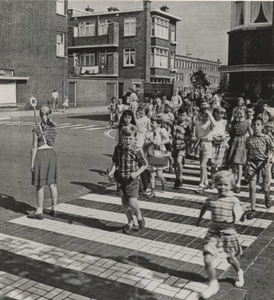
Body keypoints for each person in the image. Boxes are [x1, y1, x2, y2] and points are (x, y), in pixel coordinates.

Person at [196, 171, 245, 299]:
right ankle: (213, 284)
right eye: (219, 184)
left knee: (231, 259)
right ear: (215, 184)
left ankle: (239, 272)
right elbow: (204, 206)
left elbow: (241, 216)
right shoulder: (211, 199)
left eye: (225, 184)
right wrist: (199, 220)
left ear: (232, 185)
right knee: (207, 258)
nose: (222, 187)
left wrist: (243, 213)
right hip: (213, 233)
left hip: (228, 233)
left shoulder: (234, 200)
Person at [108, 126, 148, 234]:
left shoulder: (137, 150)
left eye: (130, 138)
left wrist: (136, 173)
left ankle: (139, 214)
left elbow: (145, 164)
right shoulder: (118, 148)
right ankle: (130, 221)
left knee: (132, 201)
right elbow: (115, 162)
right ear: (122, 138)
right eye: (126, 138)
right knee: (125, 204)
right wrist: (111, 172)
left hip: (132, 180)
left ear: (134, 138)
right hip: (121, 179)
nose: (128, 141)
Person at [28, 105, 58, 220]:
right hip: (51, 154)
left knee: (40, 184)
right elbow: (51, 142)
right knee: (52, 184)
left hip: (41, 155)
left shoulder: (36, 129)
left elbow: (34, 146)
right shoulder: (53, 128)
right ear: (50, 114)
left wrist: (32, 162)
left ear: (40, 115)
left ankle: (39, 211)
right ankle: (54, 209)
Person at [245, 117, 274, 219]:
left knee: (264, 187)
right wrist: (246, 164)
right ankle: (253, 209)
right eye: (254, 125)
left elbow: (272, 148)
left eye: (258, 125)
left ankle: (267, 196)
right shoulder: (248, 139)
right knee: (252, 187)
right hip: (252, 163)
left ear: (262, 126)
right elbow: (246, 152)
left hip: (263, 164)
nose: (255, 127)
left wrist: (270, 157)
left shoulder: (266, 138)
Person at [227, 107, 252, 193]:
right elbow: (230, 132)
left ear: (244, 114)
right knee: (233, 164)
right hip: (234, 142)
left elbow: (251, 134)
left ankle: (238, 183)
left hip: (242, 142)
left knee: (240, 164)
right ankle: (233, 182)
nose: (239, 115)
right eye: (237, 113)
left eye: (241, 113)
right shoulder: (233, 122)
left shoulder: (247, 122)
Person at [144, 116, 169, 198]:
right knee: (151, 174)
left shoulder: (162, 130)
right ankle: (152, 191)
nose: (151, 124)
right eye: (151, 122)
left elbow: (167, 140)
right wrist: (150, 142)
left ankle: (163, 180)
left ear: (158, 124)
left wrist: (159, 143)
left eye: (153, 123)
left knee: (158, 173)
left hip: (160, 153)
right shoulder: (148, 132)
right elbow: (145, 143)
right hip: (151, 153)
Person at [193, 105, 216, 194]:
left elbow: (214, 124)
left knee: (203, 165)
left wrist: (209, 113)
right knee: (201, 165)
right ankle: (206, 181)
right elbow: (195, 133)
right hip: (199, 143)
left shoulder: (210, 123)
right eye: (204, 115)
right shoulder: (198, 123)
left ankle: (201, 184)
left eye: (206, 116)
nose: (205, 117)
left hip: (207, 143)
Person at [172, 108, 191, 188]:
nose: (182, 117)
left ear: (186, 116)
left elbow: (189, 136)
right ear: (177, 115)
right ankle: (177, 178)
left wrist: (187, 146)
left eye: (183, 115)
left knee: (179, 161)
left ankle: (180, 176)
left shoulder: (187, 126)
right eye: (180, 115)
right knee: (175, 163)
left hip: (182, 145)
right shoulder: (174, 123)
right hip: (174, 144)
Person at [210, 107, 229, 189]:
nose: (222, 115)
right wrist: (213, 137)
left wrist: (225, 138)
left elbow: (227, 132)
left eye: (223, 113)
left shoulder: (224, 122)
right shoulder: (212, 121)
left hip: (222, 143)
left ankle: (221, 181)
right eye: (220, 113)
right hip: (214, 143)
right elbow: (210, 131)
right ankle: (213, 181)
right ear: (215, 113)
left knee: (221, 164)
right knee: (213, 164)